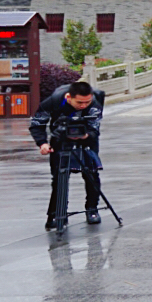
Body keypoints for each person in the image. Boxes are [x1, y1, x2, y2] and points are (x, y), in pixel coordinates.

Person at [30, 81, 105, 230]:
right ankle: (56, 214)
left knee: (91, 174)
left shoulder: (95, 102)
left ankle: (92, 209)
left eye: (87, 102)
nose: (83, 106)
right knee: (59, 178)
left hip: (87, 141)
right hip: (60, 139)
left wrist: (85, 135)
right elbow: (37, 123)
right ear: (69, 97)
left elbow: (94, 127)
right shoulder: (54, 101)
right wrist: (42, 143)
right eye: (79, 102)